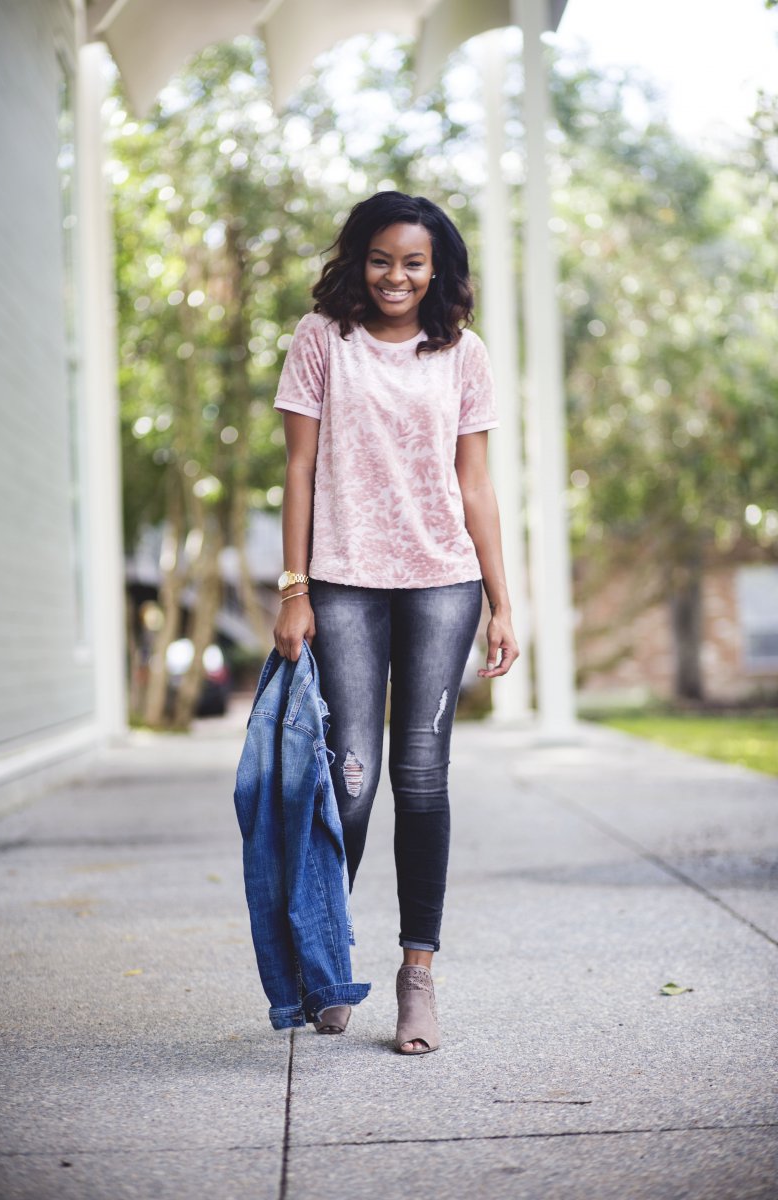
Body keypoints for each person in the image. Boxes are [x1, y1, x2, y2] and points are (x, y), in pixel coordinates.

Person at [271, 191, 519, 1055]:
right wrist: (293, 587)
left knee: (422, 778)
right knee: (349, 778)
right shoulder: (321, 342)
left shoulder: (462, 352)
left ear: (437, 269)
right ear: (358, 259)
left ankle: (419, 976)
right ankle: (329, 962)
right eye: (382, 259)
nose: (396, 276)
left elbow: (475, 483)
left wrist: (501, 599)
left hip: (442, 580)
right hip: (341, 580)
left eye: (414, 262)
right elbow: (299, 468)